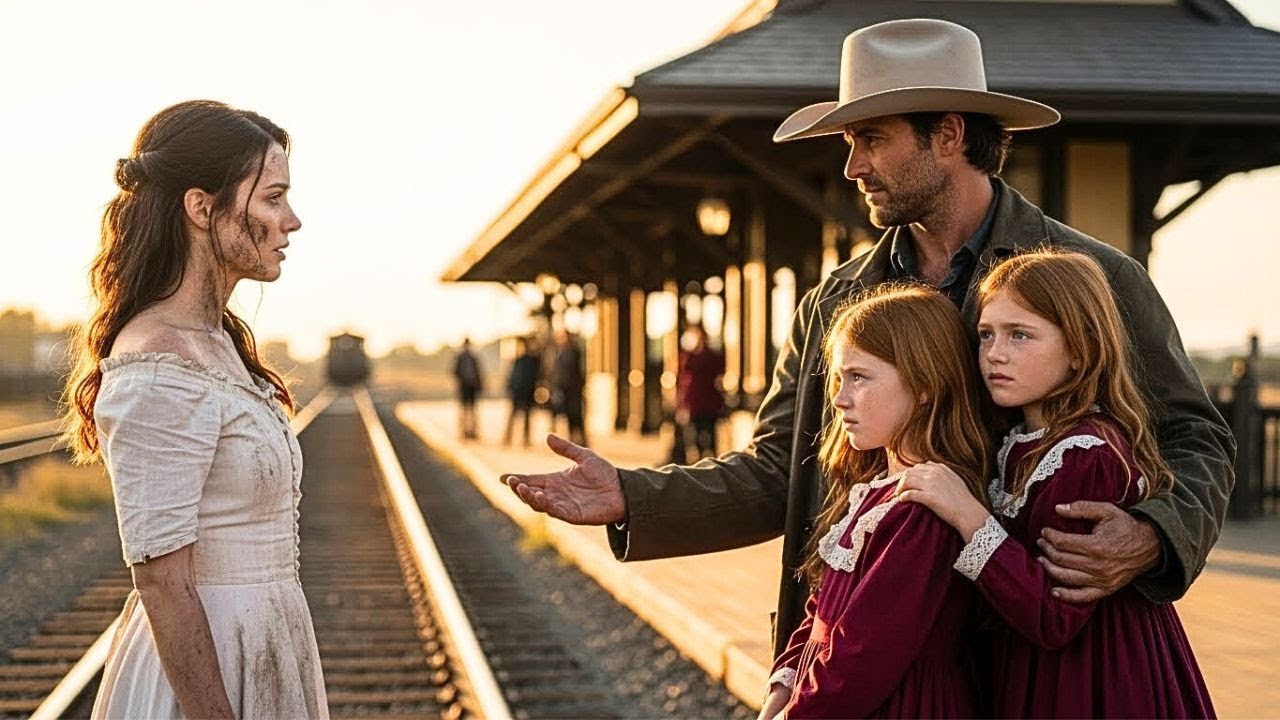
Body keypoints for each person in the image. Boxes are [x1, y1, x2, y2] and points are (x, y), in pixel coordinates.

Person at [501, 18, 1234, 664]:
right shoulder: (835, 302)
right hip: (887, 655)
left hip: (1040, 657)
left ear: (948, 135)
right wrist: (632, 495)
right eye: (851, 143)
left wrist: (1155, 533)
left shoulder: (1098, 279)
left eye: (872, 141)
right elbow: (779, 471)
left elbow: (1195, 439)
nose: (852, 166)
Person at [62, 100, 327, 719]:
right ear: (202, 207)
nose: (292, 221)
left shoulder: (219, 346)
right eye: (272, 198)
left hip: (263, 640)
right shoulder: (158, 364)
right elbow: (161, 582)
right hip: (210, 674)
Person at [898, 250, 1215, 717]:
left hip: (1094, 682)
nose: (995, 354)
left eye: (1020, 335)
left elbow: (1054, 616)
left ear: (1080, 349)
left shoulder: (1087, 456)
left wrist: (967, 514)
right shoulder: (1018, 442)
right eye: (986, 335)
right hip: (1029, 670)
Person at [761, 284, 990, 719]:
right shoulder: (876, 491)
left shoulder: (923, 509)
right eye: (838, 378)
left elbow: (861, 657)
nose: (839, 398)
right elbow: (821, 611)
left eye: (859, 377)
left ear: (925, 384)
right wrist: (782, 687)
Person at [676, 324, 726, 460]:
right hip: (694, 403)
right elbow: (684, 383)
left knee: (709, 436)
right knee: (694, 437)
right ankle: (698, 461)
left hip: (707, 403)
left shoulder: (708, 356)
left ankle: (709, 462)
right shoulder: (688, 357)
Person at [549, 328, 587, 447]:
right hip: (564, 390)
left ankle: (581, 440)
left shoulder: (574, 351)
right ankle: (573, 440)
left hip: (573, 390)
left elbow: (575, 371)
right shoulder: (558, 352)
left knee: (576, 416)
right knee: (569, 417)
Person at [503, 336, 540, 447]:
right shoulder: (516, 360)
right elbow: (511, 377)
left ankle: (526, 439)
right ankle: (508, 438)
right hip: (517, 393)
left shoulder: (532, 360)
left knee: (527, 418)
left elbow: (535, 377)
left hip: (527, 393)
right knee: (513, 417)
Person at [453, 337, 484, 440]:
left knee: (473, 410)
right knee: (464, 410)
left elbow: (479, 373)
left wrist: (478, 385)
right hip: (464, 387)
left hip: (472, 388)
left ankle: (473, 431)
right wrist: (464, 379)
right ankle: (463, 432)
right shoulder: (460, 358)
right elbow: (454, 372)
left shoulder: (473, 358)